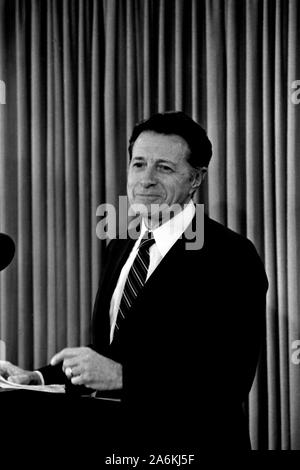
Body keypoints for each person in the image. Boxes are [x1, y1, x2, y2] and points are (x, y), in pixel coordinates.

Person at [0, 111, 268, 451]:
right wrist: (35, 379)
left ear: (196, 179)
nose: (146, 179)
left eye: (164, 167)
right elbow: (112, 354)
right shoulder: (121, 245)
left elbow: (228, 382)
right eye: (138, 164)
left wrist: (123, 377)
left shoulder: (231, 256)